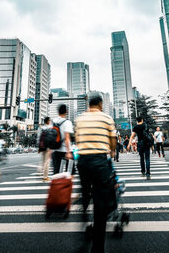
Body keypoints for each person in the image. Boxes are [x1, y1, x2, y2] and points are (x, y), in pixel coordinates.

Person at [75, 93, 117, 253]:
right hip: (99, 161)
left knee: (86, 193)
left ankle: (85, 214)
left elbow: (78, 141)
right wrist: (111, 152)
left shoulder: (79, 119)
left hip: (83, 162)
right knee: (100, 202)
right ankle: (97, 247)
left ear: (88, 105)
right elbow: (113, 141)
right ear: (100, 104)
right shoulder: (107, 118)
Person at [52, 104, 73, 174]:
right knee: (70, 171)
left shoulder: (53, 121)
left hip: (55, 150)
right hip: (65, 150)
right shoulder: (67, 122)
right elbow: (67, 138)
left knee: (56, 172)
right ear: (66, 111)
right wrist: (68, 152)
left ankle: (57, 184)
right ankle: (67, 184)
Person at [37, 117, 51, 181]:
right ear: (48, 121)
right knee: (47, 161)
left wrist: (39, 147)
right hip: (48, 147)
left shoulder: (41, 128)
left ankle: (39, 171)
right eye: (49, 120)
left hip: (42, 146)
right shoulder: (50, 128)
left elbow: (38, 137)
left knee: (42, 160)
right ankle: (45, 176)